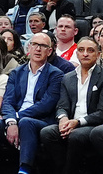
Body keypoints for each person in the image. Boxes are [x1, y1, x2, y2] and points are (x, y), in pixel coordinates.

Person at [0, 32, 63, 174]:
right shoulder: (17, 72)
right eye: (35, 44)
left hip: (39, 121)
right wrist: (11, 121)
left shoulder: (56, 74)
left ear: (49, 51)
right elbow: (8, 101)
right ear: (29, 47)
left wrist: (15, 118)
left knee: (26, 122)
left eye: (43, 46)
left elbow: (45, 105)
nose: (38, 49)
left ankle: (24, 170)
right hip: (15, 119)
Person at [39, 37, 103, 174]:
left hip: (92, 123)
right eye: (81, 50)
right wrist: (63, 119)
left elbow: (101, 112)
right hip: (71, 122)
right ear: (77, 53)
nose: (85, 54)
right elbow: (62, 106)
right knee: (47, 132)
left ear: (98, 54)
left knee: (76, 135)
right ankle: (63, 168)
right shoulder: (68, 77)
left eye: (90, 50)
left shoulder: (102, 76)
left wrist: (77, 122)